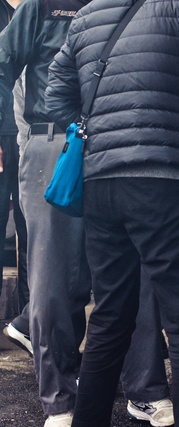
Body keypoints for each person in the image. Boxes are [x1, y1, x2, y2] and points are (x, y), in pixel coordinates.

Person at [45, 0, 179, 424]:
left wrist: (104, 131)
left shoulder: (86, 15)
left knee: (109, 317)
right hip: (162, 182)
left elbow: (56, 97)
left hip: (101, 185)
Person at [0, 0, 94, 425]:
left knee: (105, 272)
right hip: (51, 145)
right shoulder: (42, 6)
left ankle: (138, 389)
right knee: (52, 277)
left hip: (109, 144)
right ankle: (58, 397)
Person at [0, 0, 30, 357]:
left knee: (34, 236)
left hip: (35, 135)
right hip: (5, 132)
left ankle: (29, 323)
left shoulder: (47, 7)